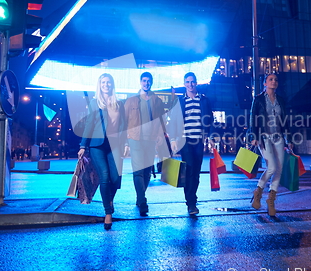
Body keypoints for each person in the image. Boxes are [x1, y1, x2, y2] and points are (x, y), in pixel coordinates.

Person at [78, 73, 125, 230]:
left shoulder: (118, 103)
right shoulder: (94, 103)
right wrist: (83, 145)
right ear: (100, 85)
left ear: (112, 84)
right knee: (104, 176)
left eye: (109, 82)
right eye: (103, 82)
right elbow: (89, 124)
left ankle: (108, 201)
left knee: (115, 178)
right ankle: (108, 213)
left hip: (115, 145)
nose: (106, 85)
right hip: (97, 145)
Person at [169, 72, 213, 215]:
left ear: (196, 83)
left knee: (196, 172)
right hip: (185, 140)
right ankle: (191, 203)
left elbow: (210, 120)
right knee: (189, 169)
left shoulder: (204, 100)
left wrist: (210, 136)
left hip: (199, 140)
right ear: (184, 84)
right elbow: (174, 121)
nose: (190, 84)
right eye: (187, 82)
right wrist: (174, 140)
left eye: (192, 81)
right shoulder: (180, 101)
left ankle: (192, 198)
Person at [248, 72, 291, 217]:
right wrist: (254, 136)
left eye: (276, 80)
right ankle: (258, 191)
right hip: (264, 137)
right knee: (271, 167)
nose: (274, 82)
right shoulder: (258, 99)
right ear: (265, 83)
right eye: (270, 79)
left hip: (279, 137)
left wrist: (289, 139)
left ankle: (271, 200)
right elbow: (253, 119)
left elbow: (285, 120)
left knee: (279, 168)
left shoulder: (281, 100)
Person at [124, 72, 167, 216]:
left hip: (150, 139)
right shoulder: (131, 101)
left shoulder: (157, 101)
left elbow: (162, 120)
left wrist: (161, 136)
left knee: (147, 171)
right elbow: (124, 122)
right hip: (135, 139)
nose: (146, 83)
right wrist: (125, 141)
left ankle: (139, 196)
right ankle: (142, 201)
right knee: (138, 171)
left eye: (149, 81)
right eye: (144, 80)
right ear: (140, 82)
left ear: (152, 82)